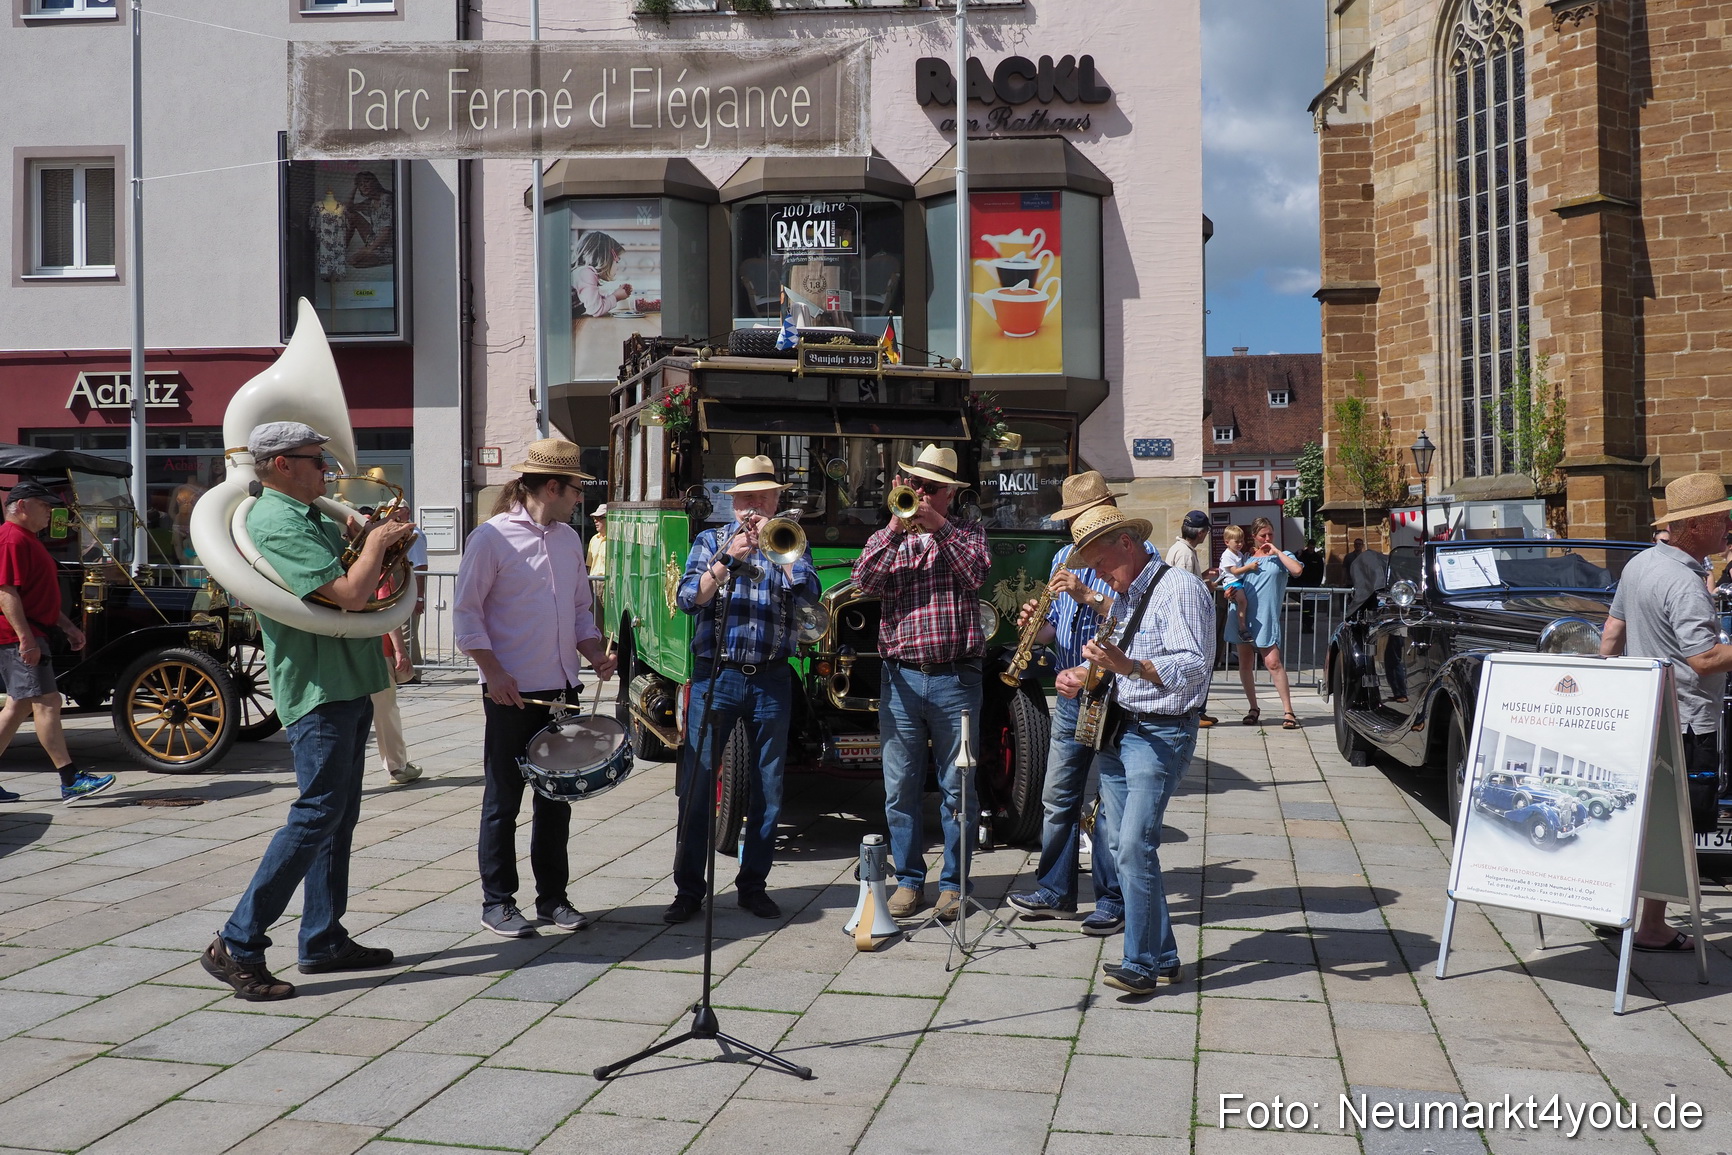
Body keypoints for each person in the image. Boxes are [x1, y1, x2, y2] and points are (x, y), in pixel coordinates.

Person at [202, 422, 416, 1001]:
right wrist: (374, 544)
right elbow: (347, 594)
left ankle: (322, 938)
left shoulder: (315, 514)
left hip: (348, 678)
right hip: (317, 685)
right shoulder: (273, 520)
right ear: (279, 465)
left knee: (338, 816)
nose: (326, 470)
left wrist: (386, 544)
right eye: (314, 461)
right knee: (316, 814)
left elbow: (369, 588)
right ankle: (238, 942)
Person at [455, 439, 616, 939]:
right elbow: (466, 615)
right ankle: (497, 902)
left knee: (555, 800)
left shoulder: (568, 540)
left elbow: (580, 612)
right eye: (575, 489)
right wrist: (493, 671)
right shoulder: (491, 538)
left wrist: (594, 654)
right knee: (504, 801)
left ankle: (552, 899)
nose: (579, 499)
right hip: (510, 694)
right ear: (552, 486)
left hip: (562, 691)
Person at [1057, 503, 1215, 995]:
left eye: (1101, 565)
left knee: (1132, 847)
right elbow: (1124, 660)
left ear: (1126, 544)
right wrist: (1088, 674)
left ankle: (1141, 964)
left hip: (1159, 733)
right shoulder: (1128, 595)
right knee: (1125, 849)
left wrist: (1126, 667)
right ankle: (1165, 956)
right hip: (1119, 727)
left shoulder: (1180, 588)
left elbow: (1192, 668)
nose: (1099, 576)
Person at [664, 456, 820, 924]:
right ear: (732, 505)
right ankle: (689, 890)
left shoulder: (790, 541)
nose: (753, 508)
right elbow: (688, 598)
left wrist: (782, 555)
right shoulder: (710, 541)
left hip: (771, 677)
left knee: (768, 789)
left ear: (775, 502)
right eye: (746, 500)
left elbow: (810, 594)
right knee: (696, 784)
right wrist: (730, 558)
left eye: (762, 499)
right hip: (718, 675)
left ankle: (753, 885)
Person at [1004, 472, 1153, 932]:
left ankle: (1112, 899)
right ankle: (1055, 890)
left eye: (1077, 518)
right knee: (1057, 797)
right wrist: (1035, 624)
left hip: (1112, 693)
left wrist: (1088, 594)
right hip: (1070, 696)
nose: (1072, 528)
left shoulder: (1143, 560)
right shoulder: (1064, 559)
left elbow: (1137, 619)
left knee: (1110, 804)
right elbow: (1057, 630)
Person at [853, 444, 992, 921]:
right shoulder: (889, 536)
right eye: (915, 485)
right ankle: (909, 882)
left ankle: (954, 886)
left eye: (932, 487)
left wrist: (938, 527)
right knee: (900, 788)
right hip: (902, 680)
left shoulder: (968, 531)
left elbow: (976, 574)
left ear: (951, 491)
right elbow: (864, 581)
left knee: (959, 789)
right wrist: (896, 525)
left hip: (956, 679)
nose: (922, 493)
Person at [1600, 471, 1732, 952]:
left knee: (1634, 816)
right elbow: (1703, 659)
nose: (1727, 529)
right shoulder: (1685, 583)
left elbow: (1611, 634)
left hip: (1643, 715)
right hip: (1686, 721)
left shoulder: (1639, 565)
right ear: (1695, 525)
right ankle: (1651, 924)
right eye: (1722, 520)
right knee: (1676, 826)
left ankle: (1612, 906)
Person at [0, 481, 113, 804]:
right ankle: (70, 779)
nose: (51, 512)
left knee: (17, 706)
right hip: (19, 636)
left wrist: (67, 627)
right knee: (48, 702)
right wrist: (26, 640)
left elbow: (38, 596)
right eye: (44, 506)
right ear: (21, 506)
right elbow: (6, 593)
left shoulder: (27, 539)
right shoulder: (11, 539)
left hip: (32, 632)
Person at [1228, 516, 1304, 729]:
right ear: (1254, 537)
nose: (1267, 538)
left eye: (1270, 534)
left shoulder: (1281, 556)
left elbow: (1297, 571)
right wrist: (1230, 592)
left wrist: (1277, 551)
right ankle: (1253, 708)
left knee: (1273, 663)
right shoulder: (1245, 558)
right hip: (1242, 615)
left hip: (1265, 616)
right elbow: (1235, 581)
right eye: (1263, 535)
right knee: (1245, 662)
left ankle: (1288, 711)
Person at [1164, 509, 1219, 728]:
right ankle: (1195, 711)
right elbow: (1184, 590)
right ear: (1200, 533)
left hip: (1183, 615)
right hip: (1188, 618)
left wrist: (1204, 577)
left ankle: (1197, 711)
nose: (1206, 535)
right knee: (1196, 663)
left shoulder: (1182, 549)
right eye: (1205, 531)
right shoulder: (1185, 553)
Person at [587, 503, 609, 579]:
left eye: (599, 518)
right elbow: (589, 565)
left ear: (608, 518)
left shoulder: (615, 541)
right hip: (594, 582)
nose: (595, 521)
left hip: (608, 583)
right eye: (594, 518)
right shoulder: (593, 539)